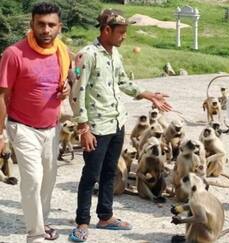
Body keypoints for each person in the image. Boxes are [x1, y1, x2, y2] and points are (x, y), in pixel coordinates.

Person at [69, 9, 172, 242]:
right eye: (121, 32)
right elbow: (77, 94)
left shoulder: (114, 54)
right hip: (96, 127)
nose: (124, 37)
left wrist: (148, 94)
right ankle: (81, 222)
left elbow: (123, 81)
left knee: (110, 171)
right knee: (90, 175)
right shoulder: (87, 55)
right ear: (106, 30)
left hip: (116, 122)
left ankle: (105, 216)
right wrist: (83, 128)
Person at [0, 2, 71, 242]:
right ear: (32, 24)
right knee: (33, 179)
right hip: (23, 128)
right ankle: (36, 234)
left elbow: (69, 77)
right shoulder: (14, 54)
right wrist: (0, 135)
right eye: (40, 24)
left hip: (52, 129)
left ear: (59, 27)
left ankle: (42, 221)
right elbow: (2, 96)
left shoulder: (62, 52)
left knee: (48, 181)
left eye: (51, 25)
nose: (46, 30)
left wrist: (67, 87)